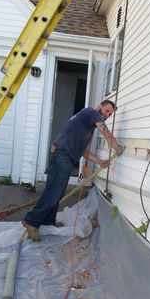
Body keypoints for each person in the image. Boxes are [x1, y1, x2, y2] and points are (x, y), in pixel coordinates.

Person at [22, 99, 123, 241]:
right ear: (100, 107)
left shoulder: (87, 124)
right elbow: (106, 133)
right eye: (106, 111)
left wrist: (100, 161)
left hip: (63, 155)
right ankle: (31, 221)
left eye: (110, 115)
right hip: (62, 155)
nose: (107, 116)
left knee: (56, 191)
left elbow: (84, 152)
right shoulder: (91, 112)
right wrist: (118, 148)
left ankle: (48, 222)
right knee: (54, 191)